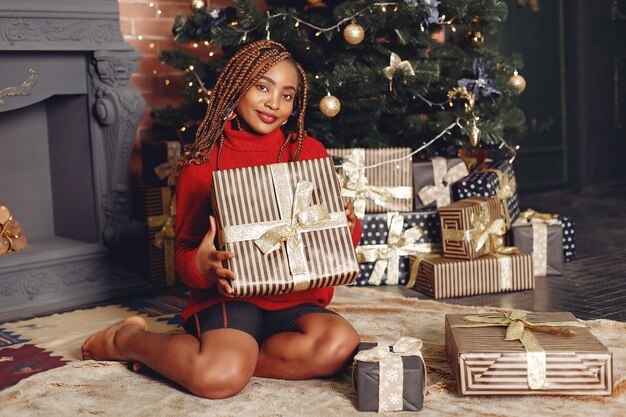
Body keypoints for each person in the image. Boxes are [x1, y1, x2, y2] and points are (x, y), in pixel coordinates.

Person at [82, 40, 362, 399]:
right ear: (237, 85)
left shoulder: (309, 152)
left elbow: (336, 245)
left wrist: (345, 223)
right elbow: (185, 256)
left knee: (339, 345)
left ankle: (210, 359)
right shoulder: (201, 163)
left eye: (287, 95)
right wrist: (201, 264)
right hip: (227, 302)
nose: (274, 103)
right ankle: (130, 339)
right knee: (218, 380)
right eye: (263, 86)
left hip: (295, 300)